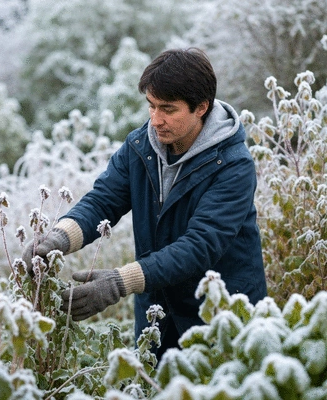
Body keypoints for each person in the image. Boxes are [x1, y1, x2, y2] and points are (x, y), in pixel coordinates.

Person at [22, 47, 267, 360]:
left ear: (201, 107)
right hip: (156, 316)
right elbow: (102, 202)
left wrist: (119, 283)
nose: (156, 120)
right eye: (151, 106)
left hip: (220, 316)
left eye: (167, 109)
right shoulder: (139, 148)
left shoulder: (233, 165)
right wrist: (57, 238)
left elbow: (200, 245)